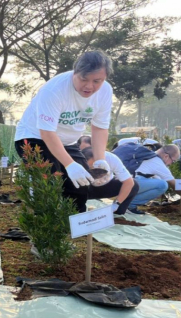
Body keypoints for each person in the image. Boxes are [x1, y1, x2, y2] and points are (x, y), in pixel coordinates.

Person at [14, 50, 114, 212]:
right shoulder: (54, 89)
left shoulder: (105, 91)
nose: (89, 86)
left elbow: (99, 127)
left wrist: (100, 159)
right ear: (75, 72)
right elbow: (47, 132)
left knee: (81, 184)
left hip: (67, 142)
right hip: (34, 137)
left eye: (97, 81)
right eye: (84, 79)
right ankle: (46, 231)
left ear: (105, 78)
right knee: (50, 184)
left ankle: (74, 229)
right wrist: (69, 164)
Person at [113, 143, 181, 214]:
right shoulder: (158, 163)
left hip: (114, 182)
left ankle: (124, 202)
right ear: (166, 156)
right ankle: (129, 205)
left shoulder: (149, 156)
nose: (172, 164)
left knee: (158, 182)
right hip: (126, 185)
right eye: (173, 161)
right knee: (163, 185)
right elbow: (176, 186)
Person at [79, 140, 139, 215]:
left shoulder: (111, 158)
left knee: (134, 185)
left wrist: (116, 203)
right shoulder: (78, 161)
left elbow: (128, 182)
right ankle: (79, 213)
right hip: (87, 188)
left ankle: (117, 213)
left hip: (107, 186)